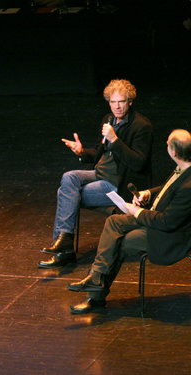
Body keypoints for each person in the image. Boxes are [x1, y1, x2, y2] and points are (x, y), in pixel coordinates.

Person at [67, 129, 191, 314]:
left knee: (120, 242)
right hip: (156, 219)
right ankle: (96, 278)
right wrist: (148, 193)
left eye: (167, 143)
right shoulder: (184, 168)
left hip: (170, 237)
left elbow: (168, 223)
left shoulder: (189, 186)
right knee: (114, 221)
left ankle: (96, 296)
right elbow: (168, 188)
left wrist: (137, 211)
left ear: (174, 151)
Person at [38, 79, 153, 269]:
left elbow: (138, 163)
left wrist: (115, 139)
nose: (117, 107)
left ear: (130, 102)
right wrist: (82, 152)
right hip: (100, 174)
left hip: (118, 184)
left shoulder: (141, 126)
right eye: (113, 102)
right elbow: (101, 152)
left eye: (121, 102)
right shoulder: (108, 119)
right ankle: (65, 242)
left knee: (65, 194)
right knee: (69, 177)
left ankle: (64, 250)